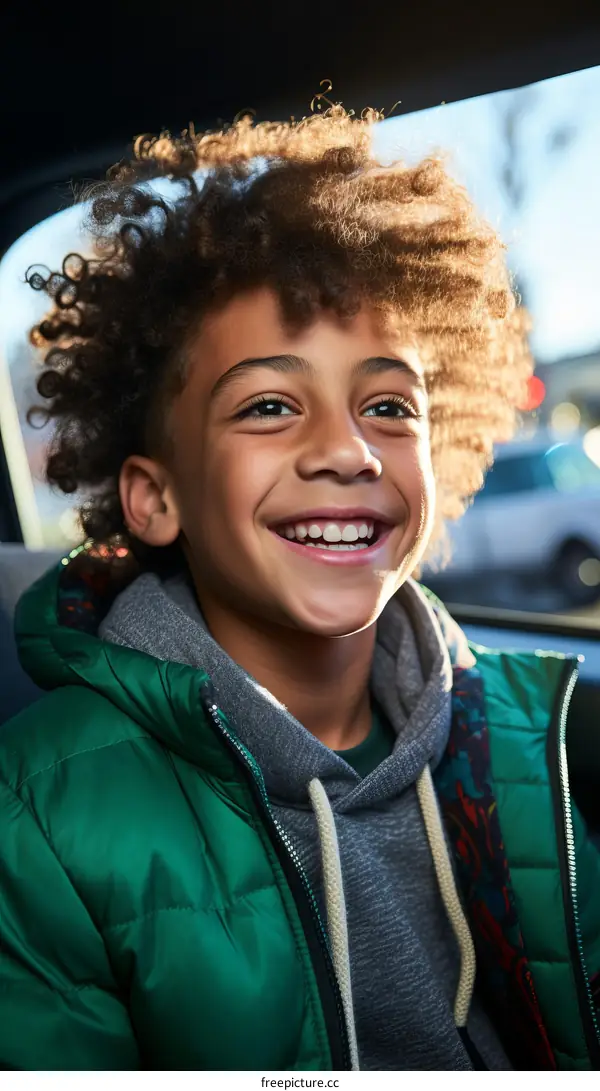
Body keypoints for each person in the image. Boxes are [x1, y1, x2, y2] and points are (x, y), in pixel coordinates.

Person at [0, 104, 599, 1073]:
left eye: (389, 405)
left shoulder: (530, 735)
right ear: (155, 497)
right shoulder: (35, 808)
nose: (347, 450)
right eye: (270, 404)